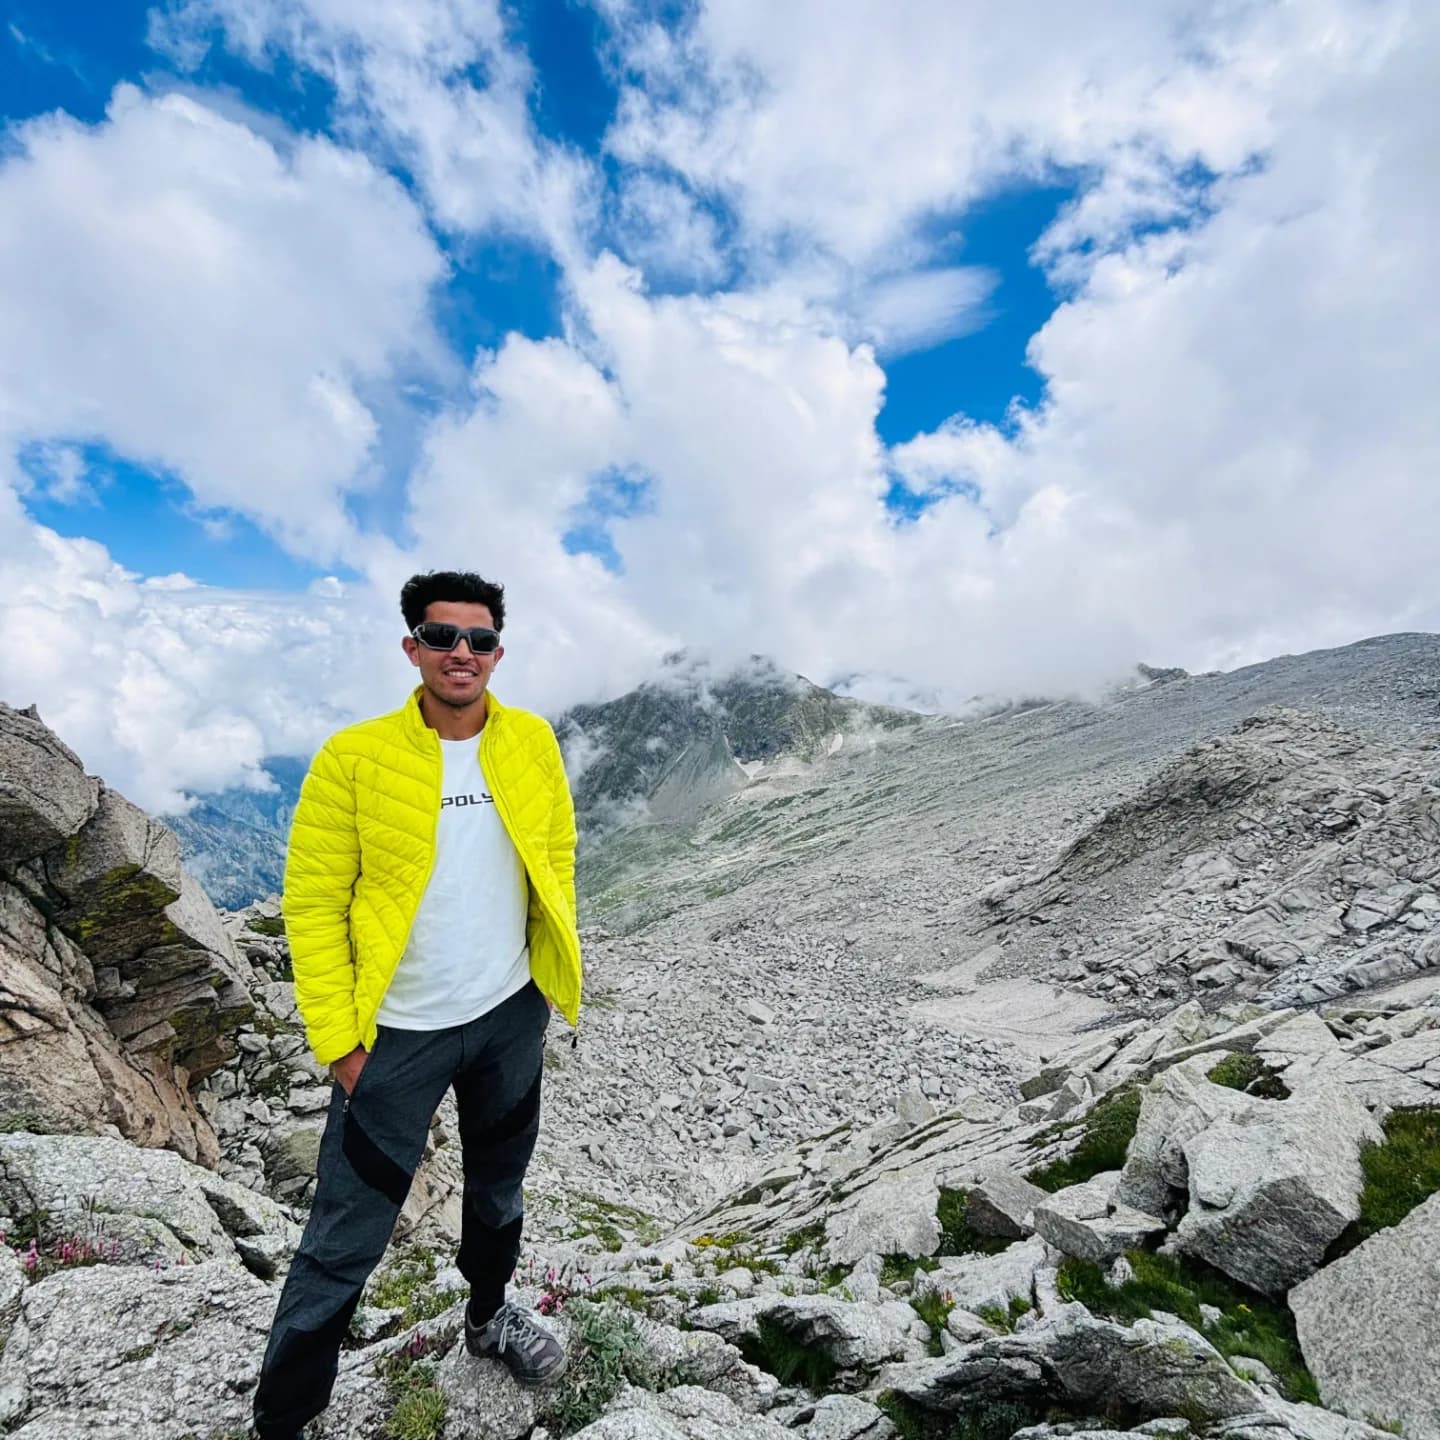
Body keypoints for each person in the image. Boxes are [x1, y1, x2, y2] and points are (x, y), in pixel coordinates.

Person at [252, 570, 582, 1440]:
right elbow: (313, 905)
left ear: (497, 653)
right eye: (441, 637)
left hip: (510, 1016)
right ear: (412, 648)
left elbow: (556, 853)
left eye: (477, 640)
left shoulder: (532, 743)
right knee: (345, 1230)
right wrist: (338, 1043)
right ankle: (285, 1417)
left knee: (499, 1189)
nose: (460, 653)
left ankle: (488, 1316)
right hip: (396, 1035)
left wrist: (549, 975)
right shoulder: (354, 757)